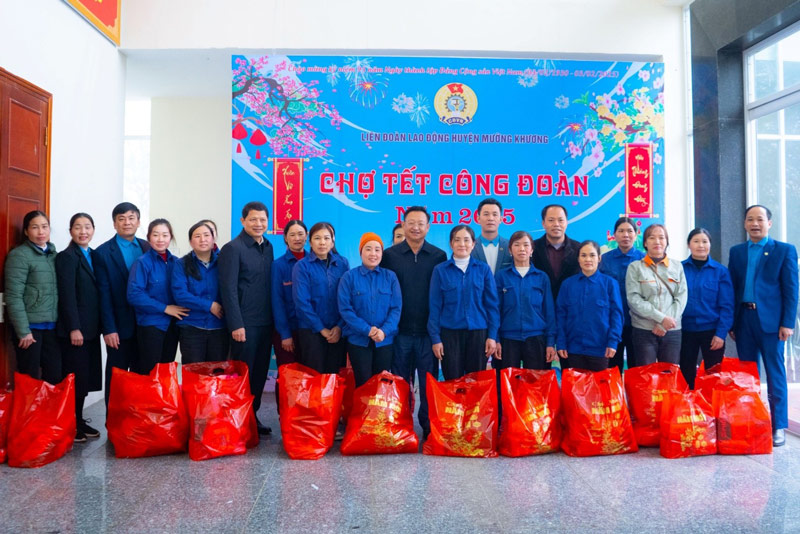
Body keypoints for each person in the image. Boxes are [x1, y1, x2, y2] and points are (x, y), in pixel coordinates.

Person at [728, 205, 798, 447]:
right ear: (745, 224)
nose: (755, 223)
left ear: (769, 223)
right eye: (750, 219)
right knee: (747, 375)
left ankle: (778, 426)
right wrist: (732, 322)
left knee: (775, 373)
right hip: (744, 320)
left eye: (760, 219)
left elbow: (791, 290)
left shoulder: (784, 251)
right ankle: (753, 422)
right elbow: (733, 288)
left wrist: (787, 323)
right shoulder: (737, 252)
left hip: (771, 323)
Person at [381, 206, 447, 438]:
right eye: (411, 223)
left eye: (421, 223)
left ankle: (428, 427)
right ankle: (401, 425)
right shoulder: (389, 256)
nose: (416, 227)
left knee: (428, 383)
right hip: (399, 332)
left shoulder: (439, 256)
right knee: (400, 382)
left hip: (428, 333)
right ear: (404, 225)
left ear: (428, 227)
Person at [219, 201, 274, 435]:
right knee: (243, 374)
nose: (258, 224)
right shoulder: (233, 248)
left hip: (266, 322)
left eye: (263, 220)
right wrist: (236, 324)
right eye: (253, 219)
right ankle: (238, 420)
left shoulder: (268, 247)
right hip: (245, 324)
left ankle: (253, 416)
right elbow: (228, 289)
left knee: (260, 372)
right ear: (243, 221)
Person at [94, 202, 150, 406]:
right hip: (118, 328)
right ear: (114, 224)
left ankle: (137, 422)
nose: (127, 222)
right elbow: (103, 294)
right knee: (116, 377)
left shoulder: (147, 246)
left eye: (131, 217)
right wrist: (109, 329)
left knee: (142, 375)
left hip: (145, 326)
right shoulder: (102, 253)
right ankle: (114, 423)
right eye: (121, 219)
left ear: (138, 221)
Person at [428, 225, 499, 380]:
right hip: (449, 335)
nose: (462, 244)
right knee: (453, 382)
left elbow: (492, 305)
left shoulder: (483, 269)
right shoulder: (440, 270)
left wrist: (492, 336)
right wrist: (436, 339)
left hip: (478, 334)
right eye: (457, 240)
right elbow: (434, 307)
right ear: (451, 244)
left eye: (466, 240)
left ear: (473, 244)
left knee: (476, 382)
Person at [56, 213, 102, 442]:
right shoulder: (67, 257)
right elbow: (67, 296)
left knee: (85, 377)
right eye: (77, 227)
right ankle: (70, 423)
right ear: (70, 231)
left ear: (93, 229)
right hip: (76, 331)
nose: (83, 231)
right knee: (75, 377)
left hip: (92, 329)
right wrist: (74, 327)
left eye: (87, 227)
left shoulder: (93, 255)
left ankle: (79, 419)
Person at [338, 232, 402, 388]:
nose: (373, 254)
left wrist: (383, 331)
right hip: (359, 341)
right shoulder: (349, 277)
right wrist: (367, 330)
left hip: (384, 341)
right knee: (363, 383)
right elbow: (346, 310)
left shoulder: (390, 277)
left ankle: (379, 414)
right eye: (368, 249)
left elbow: (396, 309)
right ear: (360, 252)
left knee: (382, 384)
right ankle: (363, 413)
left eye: (377, 249)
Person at [4, 210, 60, 384]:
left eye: (45, 227)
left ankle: (47, 412)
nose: (41, 232)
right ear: (27, 231)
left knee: (55, 376)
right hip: (30, 329)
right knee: (29, 380)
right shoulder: (19, 255)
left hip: (52, 327)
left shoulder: (54, 255)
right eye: (35, 227)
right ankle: (28, 413)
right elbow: (13, 296)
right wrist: (23, 331)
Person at [127, 219, 186, 374]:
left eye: (165, 235)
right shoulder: (142, 263)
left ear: (170, 237)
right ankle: (148, 400)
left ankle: (163, 400)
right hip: (151, 326)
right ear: (149, 237)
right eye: (156, 235)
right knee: (149, 372)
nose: (160, 239)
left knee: (166, 371)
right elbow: (134, 294)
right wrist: (165, 308)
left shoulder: (177, 262)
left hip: (173, 326)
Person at [678, 228, 735, 388]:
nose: (700, 245)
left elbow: (727, 306)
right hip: (685, 330)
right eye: (696, 241)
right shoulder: (679, 269)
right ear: (689, 244)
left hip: (711, 331)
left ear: (710, 244)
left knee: (713, 374)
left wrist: (721, 334)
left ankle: (711, 410)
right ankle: (688, 409)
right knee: (685, 372)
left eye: (704, 241)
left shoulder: (720, 272)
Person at [556, 240, 623, 371]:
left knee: (599, 389)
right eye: (583, 255)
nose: (588, 259)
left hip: (601, 349)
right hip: (573, 348)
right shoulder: (568, 285)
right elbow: (560, 315)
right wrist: (561, 343)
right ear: (578, 259)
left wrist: (612, 342)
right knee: (576, 390)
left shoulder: (610, 284)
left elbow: (617, 316)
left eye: (592, 255)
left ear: (599, 258)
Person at [626, 224, 688, 365]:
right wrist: (660, 318)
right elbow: (634, 299)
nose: (657, 241)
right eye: (652, 237)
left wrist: (664, 324)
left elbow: (681, 298)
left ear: (667, 242)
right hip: (644, 329)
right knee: (645, 377)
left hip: (672, 330)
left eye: (661, 238)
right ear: (645, 243)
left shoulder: (677, 267)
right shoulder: (635, 267)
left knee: (669, 376)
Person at [292, 221, 349, 374]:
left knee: (335, 378)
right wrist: (322, 330)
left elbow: (347, 299)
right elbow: (302, 303)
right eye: (317, 238)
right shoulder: (302, 266)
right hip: (311, 331)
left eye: (326, 238)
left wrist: (338, 327)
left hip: (338, 331)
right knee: (314, 378)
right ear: (310, 241)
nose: (322, 242)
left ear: (332, 241)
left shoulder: (342, 263)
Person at [495, 230, 556, 370]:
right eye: (516, 245)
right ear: (510, 250)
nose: (522, 249)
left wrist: (550, 342)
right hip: (508, 339)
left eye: (526, 245)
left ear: (532, 250)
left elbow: (549, 312)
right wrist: (496, 339)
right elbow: (495, 311)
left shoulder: (541, 277)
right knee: (508, 387)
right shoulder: (501, 277)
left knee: (536, 387)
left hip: (536, 338)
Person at [171, 220, 228, 364]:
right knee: (193, 376)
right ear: (190, 242)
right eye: (197, 236)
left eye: (206, 235)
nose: (202, 239)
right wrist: (209, 305)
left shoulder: (224, 262)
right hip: (192, 328)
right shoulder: (181, 264)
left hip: (219, 328)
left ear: (213, 239)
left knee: (217, 375)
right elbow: (180, 295)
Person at [599, 217, 645, 373]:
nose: (626, 235)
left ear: (636, 234)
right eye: (621, 231)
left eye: (630, 231)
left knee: (636, 368)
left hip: (638, 323)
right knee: (612, 368)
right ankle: (614, 398)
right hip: (611, 323)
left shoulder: (644, 260)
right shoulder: (604, 260)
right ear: (614, 235)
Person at [271, 219, 307, 374]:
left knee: (308, 376)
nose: (297, 238)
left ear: (307, 236)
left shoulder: (313, 262)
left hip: (310, 331)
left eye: (300, 234)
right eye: (292, 235)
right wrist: (285, 334)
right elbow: (277, 301)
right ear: (285, 238)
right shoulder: (278, 265)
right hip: (288, 330)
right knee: (288, 376)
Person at [532, 204, 581, 300]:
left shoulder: (578, 249)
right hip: (540, 305)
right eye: (551, 220)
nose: (556, 224)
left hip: (571, 304)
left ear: (566, 222)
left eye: (560, 220)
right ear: (543, 223)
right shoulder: (532, 248)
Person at [471, 197, 512, 275]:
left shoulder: (510, 246)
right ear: (478, 219)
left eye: (495, 214)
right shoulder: (470, 247)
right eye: (486, 214)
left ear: (501, 219)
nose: (490, 218)